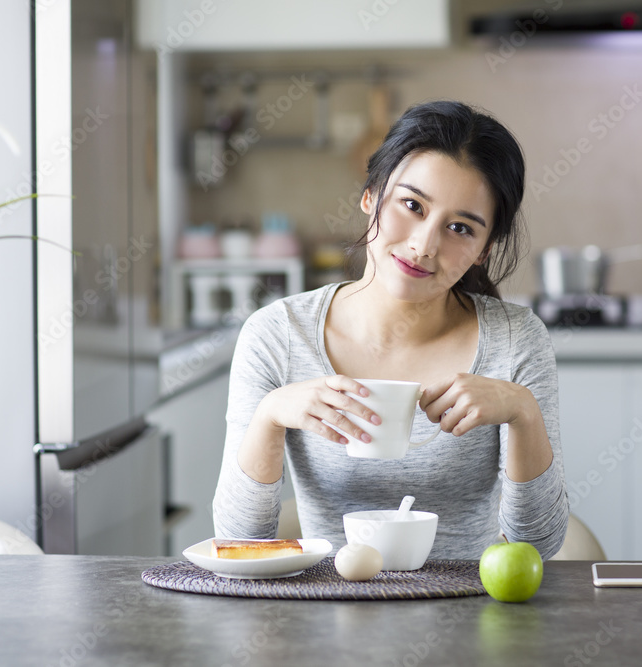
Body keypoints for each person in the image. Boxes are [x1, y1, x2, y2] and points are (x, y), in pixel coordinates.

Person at [212, 100, 569, 560]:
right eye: (411, 205)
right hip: (325, 615)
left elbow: (537, 544)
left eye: (460, 227)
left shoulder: (516, 341)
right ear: (370, 195)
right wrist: (269, 416)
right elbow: (239, 542)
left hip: (470, 618)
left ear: (483, 250)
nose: (424, 245)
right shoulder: (277, 336)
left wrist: (524, 413)